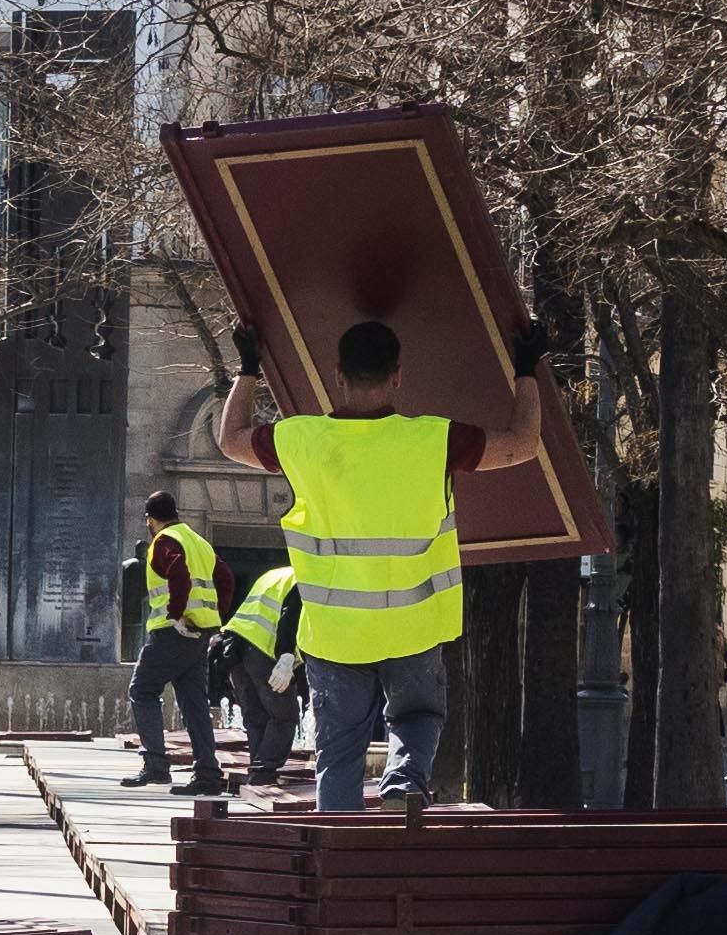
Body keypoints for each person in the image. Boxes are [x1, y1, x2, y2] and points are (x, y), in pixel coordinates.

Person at [214, 314, 546, 812]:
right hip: (414, 624)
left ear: (338, 375)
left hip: (335, 630)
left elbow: (231, 439)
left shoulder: (302, 439)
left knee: (339, 748)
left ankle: (342, 852)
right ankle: (404, 790)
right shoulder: (435, 440)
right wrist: (527, 368)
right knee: (415, 718)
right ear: (397, 376)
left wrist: (248, 365)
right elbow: (522, 444)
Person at [123, 490, 228, 796]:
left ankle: (156, 765)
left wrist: (176, 615)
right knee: (194, 703)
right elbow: (225, 578)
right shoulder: (200, 543)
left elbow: (178, 570)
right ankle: (208, 773)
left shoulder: (163, 542)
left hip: (173, 633)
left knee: (142, 690)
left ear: (149, 520)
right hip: (200, 635)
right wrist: (214, 617)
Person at [215, 561, 304, 788]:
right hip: (265, 651)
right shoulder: (305, 578)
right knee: (285, 715)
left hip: (236, 646)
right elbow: (290, 617)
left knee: (256, 716)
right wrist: (286, 656)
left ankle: (258, 771)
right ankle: (263, 771)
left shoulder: (275, 574)